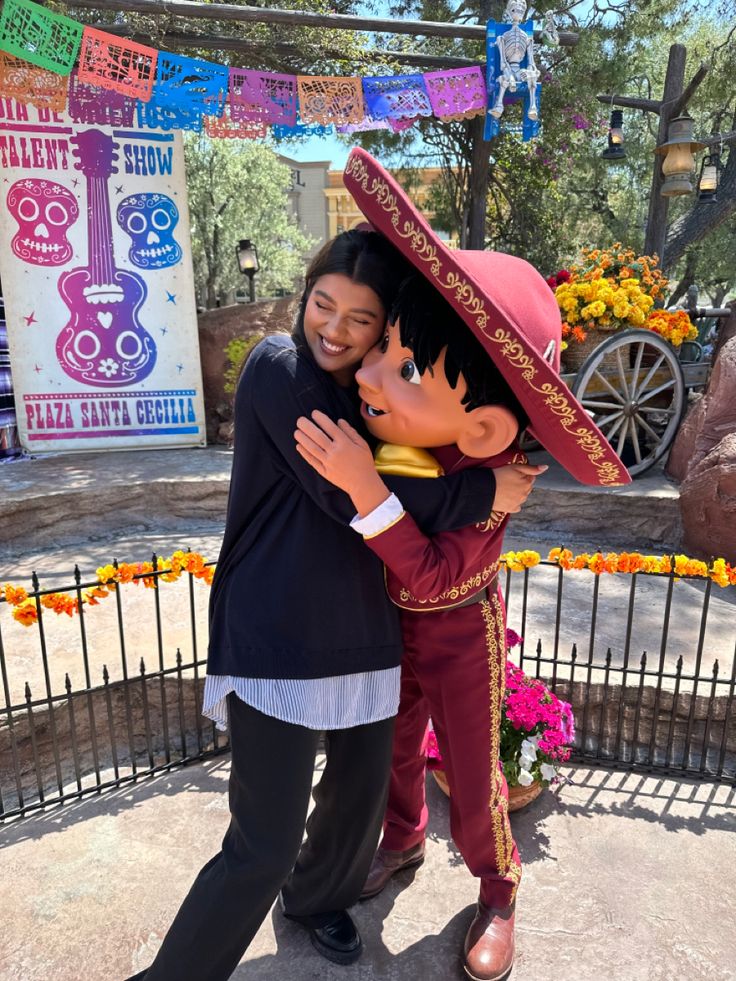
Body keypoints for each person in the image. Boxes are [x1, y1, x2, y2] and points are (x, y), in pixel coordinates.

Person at [126, 227, 541, 981]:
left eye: (361, 320)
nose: (336, 329)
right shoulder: (281, 369)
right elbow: (343, 484)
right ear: (305, 297)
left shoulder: (368, 391)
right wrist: (475, 490)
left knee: (355, 812)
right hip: (276, 632)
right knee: (265, 839)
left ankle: (318, 900)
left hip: (365, 632)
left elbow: (393, 472)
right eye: (324, 304)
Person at [294, 149, 630, 981]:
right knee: (392, 746)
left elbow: (436, 575)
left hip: (458, 627)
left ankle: (498, 886)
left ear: (481, 427)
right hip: (381, 629)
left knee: (473, 771)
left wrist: (376, 491)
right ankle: (401, 839)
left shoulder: (489, 481)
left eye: (403, 368)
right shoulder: (402, 441)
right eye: (384, 352)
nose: (368, 371)